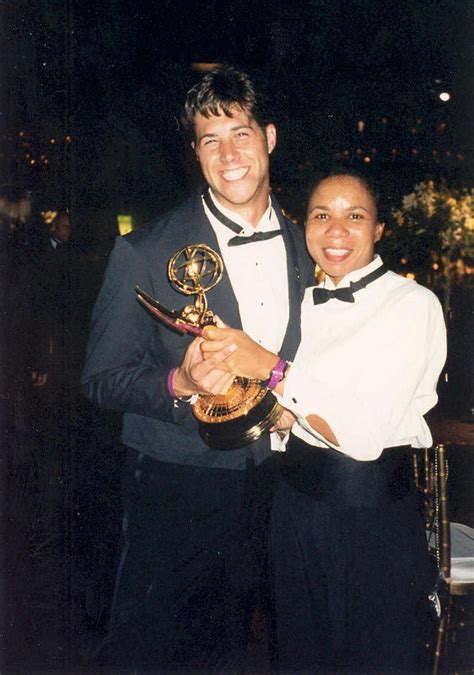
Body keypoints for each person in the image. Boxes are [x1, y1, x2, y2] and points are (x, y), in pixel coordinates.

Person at [81, 65, 313, 671]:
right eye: (210, 140)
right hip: (174, 481)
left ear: (269, 137)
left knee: (242, 649)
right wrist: (179, 384)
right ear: (196, 153)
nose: (228, 154)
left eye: (239, 133)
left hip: (279, 484)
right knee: (147, 647)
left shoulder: (308, 246)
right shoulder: (146, 249)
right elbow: (101, 378)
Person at [200, 169, 447, 673]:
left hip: (370, 520)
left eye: (354, 216)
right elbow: (303, 409)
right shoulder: (302, 307)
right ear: (304, 225)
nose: (336, 231)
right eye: (321, 215)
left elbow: (361, 437)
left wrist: (270, 367)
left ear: (379, 229)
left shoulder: (412, 305)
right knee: (301, 658)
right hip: (294, 513)